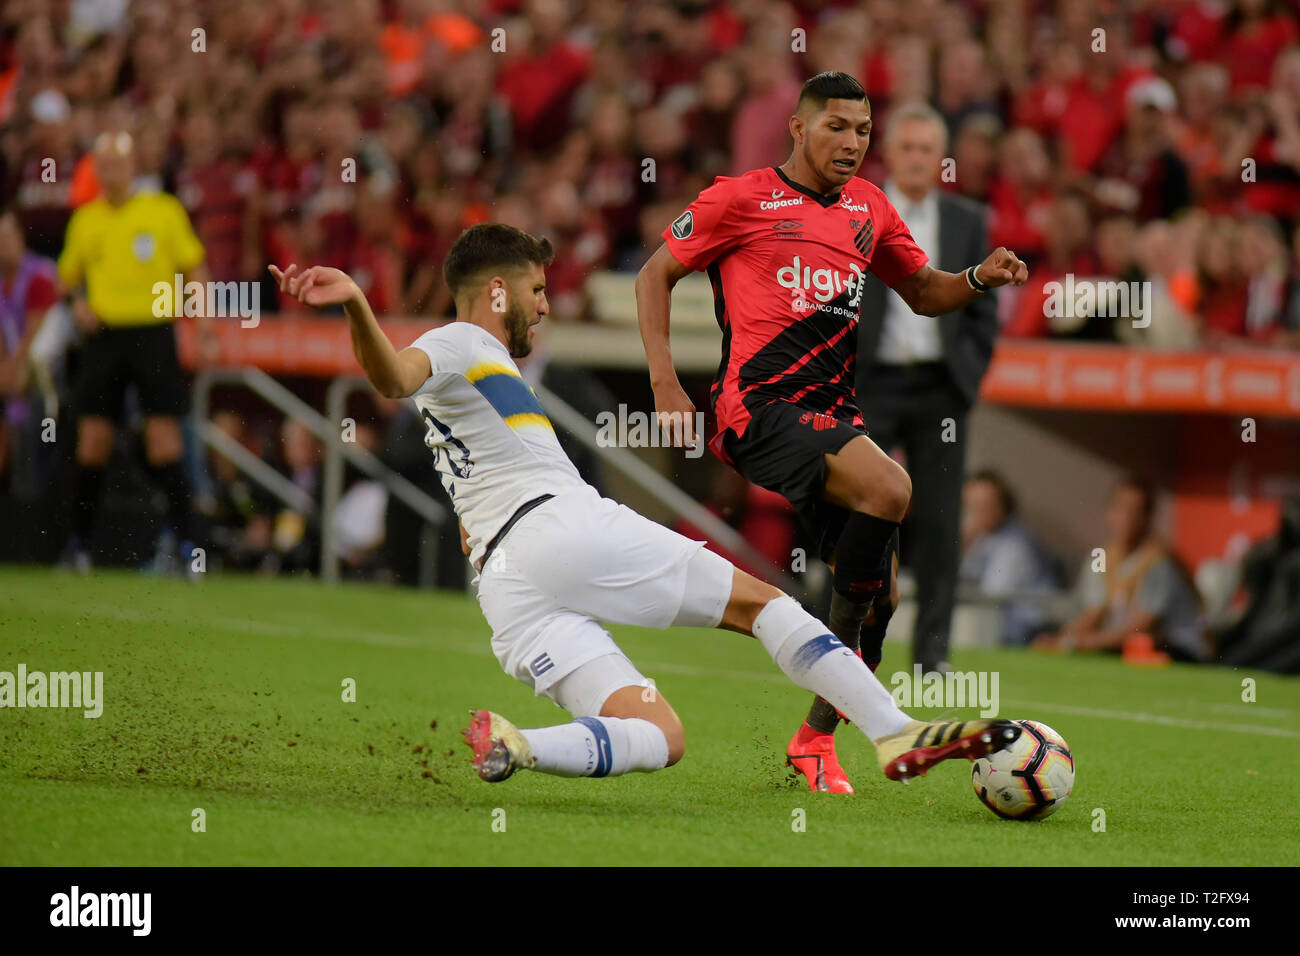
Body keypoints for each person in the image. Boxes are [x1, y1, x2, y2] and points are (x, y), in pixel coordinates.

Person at [268, 222, 1021, 788]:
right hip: (559, 526)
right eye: (536, 291)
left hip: (505, 586)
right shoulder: (463, 339)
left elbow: (415, 395)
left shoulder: (473, 363)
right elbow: (394, 376)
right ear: (497, 292)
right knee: (763, 605)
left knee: (659, 734)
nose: (545, 306)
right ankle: (892, 731)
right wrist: (359, 305)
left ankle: (519, 742)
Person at [635, 71, 1028, 793]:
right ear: (799, 128)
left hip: (833, 415)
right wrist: (664, 381)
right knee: (891, 486)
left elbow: (921, 290)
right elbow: (654, 275)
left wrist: (976, 278)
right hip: (756, 408)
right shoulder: (740, 197)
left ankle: (815, 739)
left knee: (884, 601)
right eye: (837, 128)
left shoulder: (869, 208)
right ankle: (879, 724)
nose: (852, 143)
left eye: (862, 131)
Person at [855, 101, 1000, 673]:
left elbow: (985, 313)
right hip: (871, 384)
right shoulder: (856, 210)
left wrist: (964, 380)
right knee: (858, 516)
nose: (916, 160)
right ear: (890, 152)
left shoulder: (967, 222)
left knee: (940, 523)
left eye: (926, 150)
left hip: (941, 390)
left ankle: (931, 659)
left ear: (941, 159)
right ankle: (848, 645)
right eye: (907, 148)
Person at [56, 131, 215, 573]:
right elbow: (66, 279)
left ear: (133, 166)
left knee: (164, 442)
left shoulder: (162, 210)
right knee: (93, 443)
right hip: (105, 336)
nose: (110, 173)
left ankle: (188, 549)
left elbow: (194, 268)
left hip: (154, 332)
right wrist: (77, 305)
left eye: (117, 164)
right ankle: (78, 547)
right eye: (102, 165)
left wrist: (203, 326)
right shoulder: (86, 220)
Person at [1034, 475, 1209, 662]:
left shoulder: (1159, 561)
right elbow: (1095, 613)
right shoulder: (1102, 557)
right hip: (1127, 646)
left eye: (1136, 511)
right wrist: (1062, 639)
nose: (1126, 518)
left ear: (1148, 519)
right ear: (1109, 512)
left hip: (1179, 648)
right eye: (1120, 508)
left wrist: (1076, 644)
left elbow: (1143, 626)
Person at [959, 470, 1059, 646]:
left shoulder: (1013, 545)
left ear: (1002, 506)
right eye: (972, 505)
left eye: (985, 505)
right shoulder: (982, 539)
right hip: (1002, 630)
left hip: (1027, 635)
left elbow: (989, 598)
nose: (976, 513)